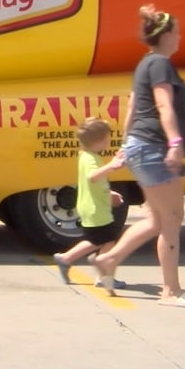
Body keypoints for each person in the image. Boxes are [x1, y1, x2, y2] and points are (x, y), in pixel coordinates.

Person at [92, 4, 185, 307]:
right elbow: (164, 105)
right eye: (176, 32)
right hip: (155, 146)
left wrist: (127, 144)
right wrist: (175, 141)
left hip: (144, 146)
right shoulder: (159, 65)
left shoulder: (146, 64)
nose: (179, 37)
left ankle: (110, 259)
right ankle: (170, 291)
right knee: (172, 219)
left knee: (157, 219)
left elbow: (131, 106)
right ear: (166, 35)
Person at [52, 117, 127, 286]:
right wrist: (112, 165)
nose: (108, 142)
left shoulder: (86, 156)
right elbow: (93, 177)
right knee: (103, 240)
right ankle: (97, 273)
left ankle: (88, 266)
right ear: (100, 141)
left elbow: (96, 182)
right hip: (96, 209)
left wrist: (109, 193)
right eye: (107, 139)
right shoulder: (91, 160)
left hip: (93, 206)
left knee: (101, 240)